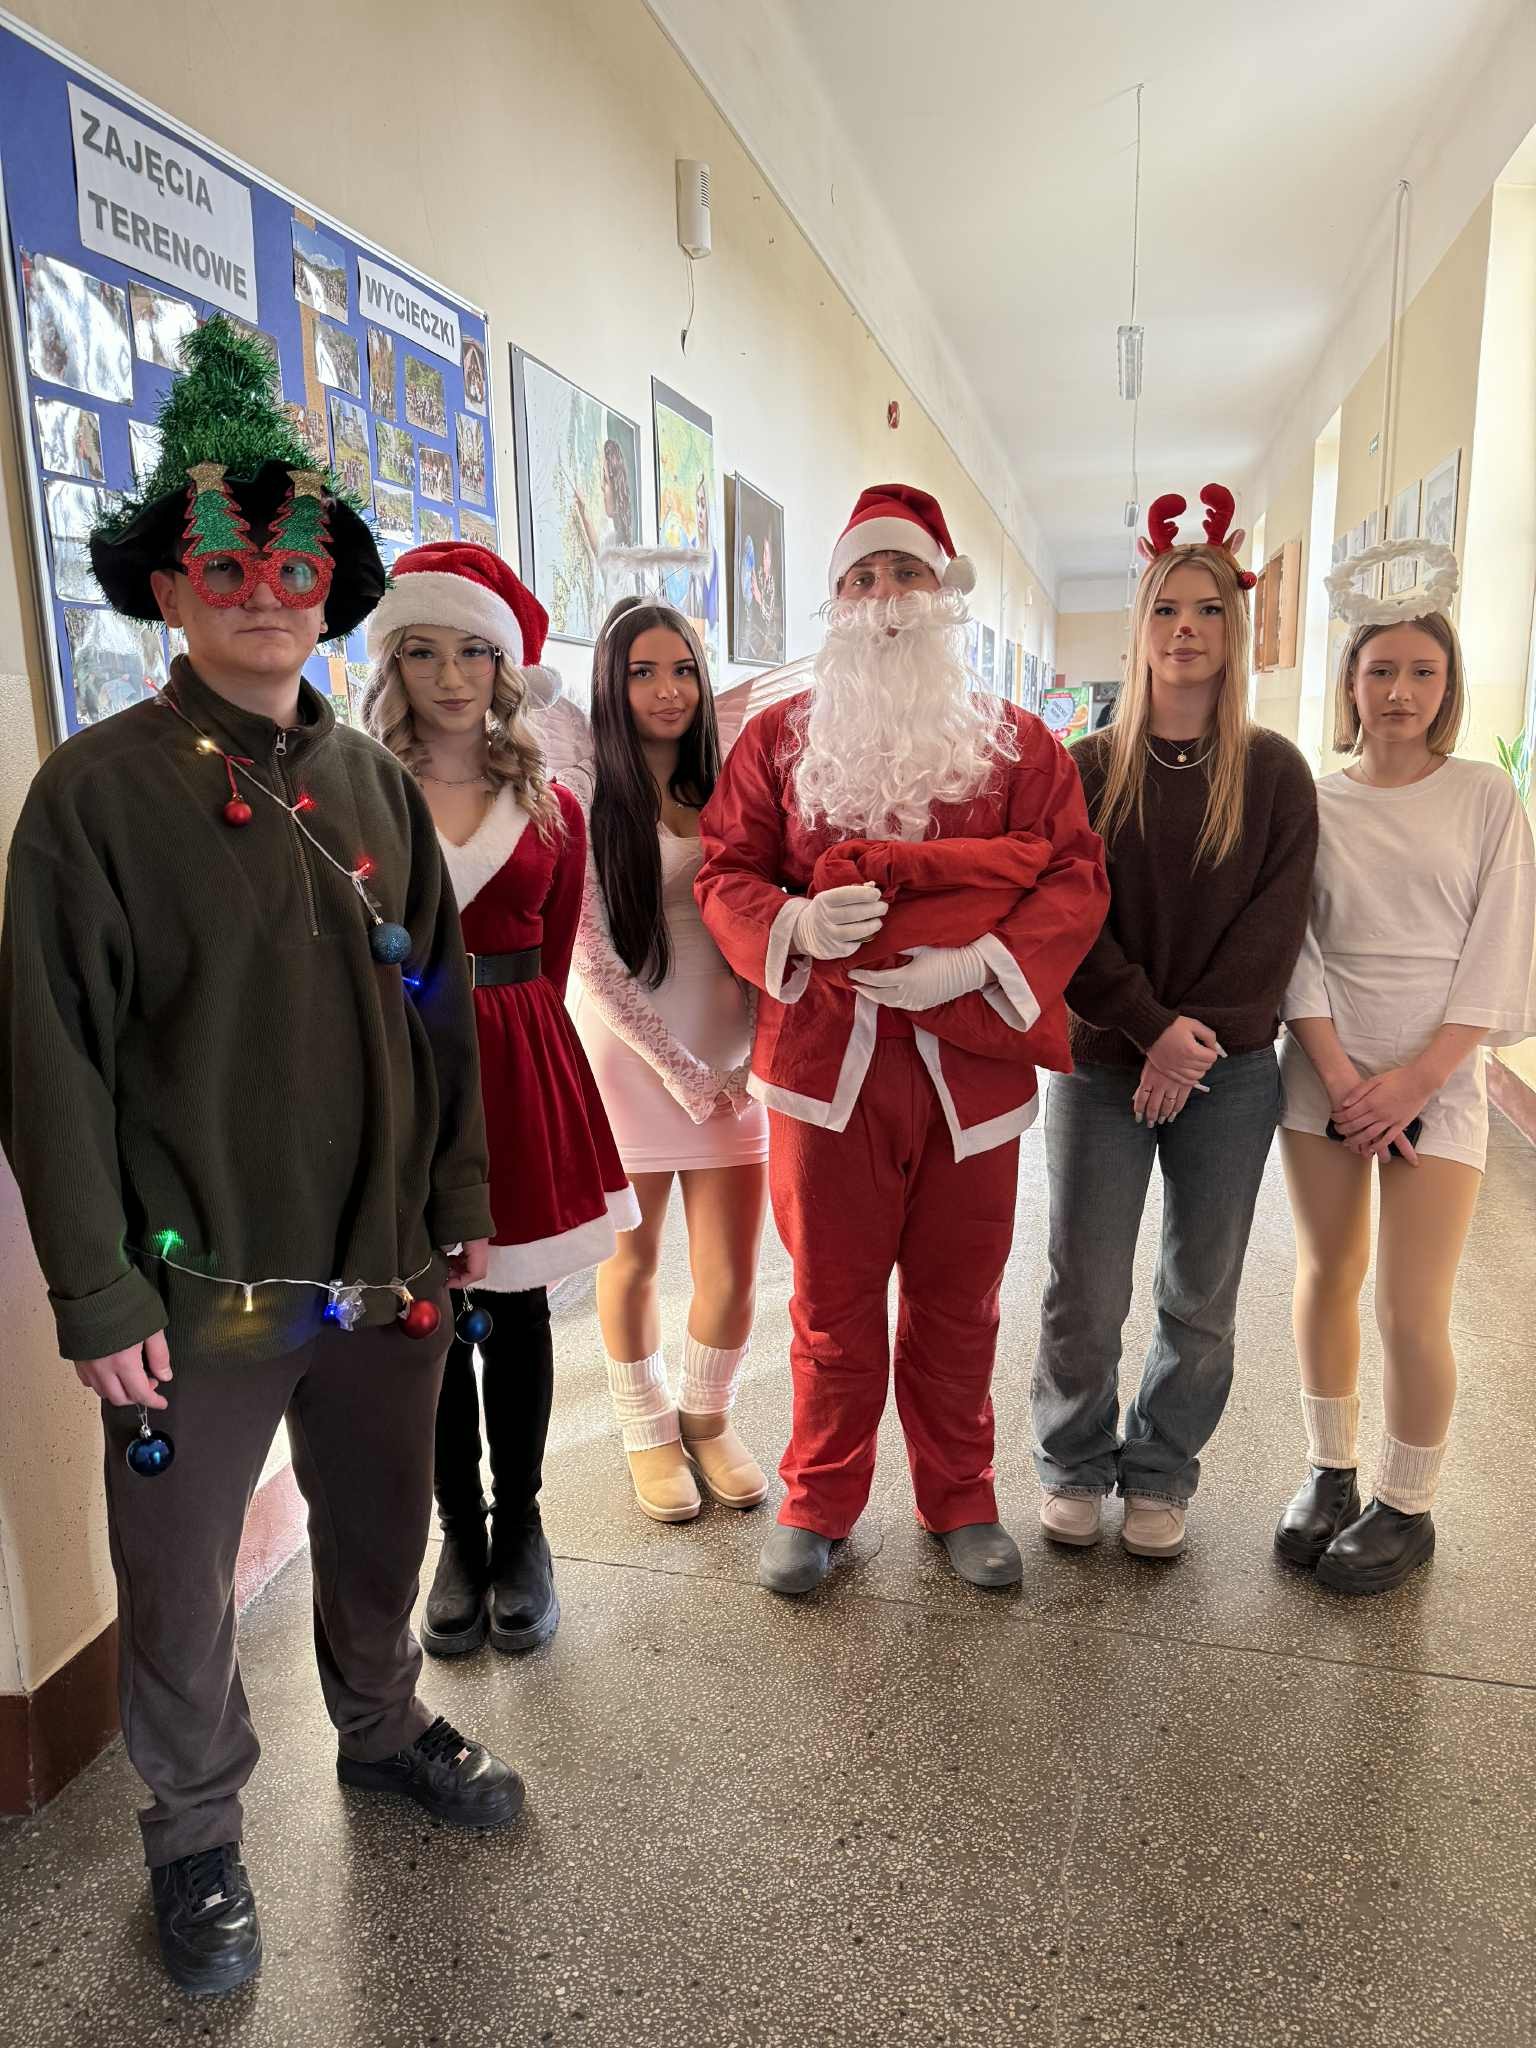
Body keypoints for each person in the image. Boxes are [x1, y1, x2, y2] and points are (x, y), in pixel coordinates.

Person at [0, 321, 523, 1999]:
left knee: (379, 1524)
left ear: (328, 590)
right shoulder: (90, 799)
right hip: (189, 1285)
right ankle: (194, 1830)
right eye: (223, 565)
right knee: (177, 1575)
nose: (262, 592)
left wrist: (456, 1207)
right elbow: (48, 1061)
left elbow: (445, 1017)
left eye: (292, 564)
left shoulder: (375, 785)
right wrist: (96, 1292)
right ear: (169, 585)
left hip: (382, 1266)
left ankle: (380, 1722)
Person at [696, 484, 1108, 1596]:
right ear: (836, 599)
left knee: (959, 1299)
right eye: (862, 578)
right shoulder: (779, 738)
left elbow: (1076, 873)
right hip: (823, 1066)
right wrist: (791, 921)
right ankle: (819, 1498)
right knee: (830, 1303)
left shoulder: (1018, 743)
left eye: (906, 573)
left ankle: (959, 1494)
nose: (884, 598)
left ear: (943, 590)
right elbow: (725, 869)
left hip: (970, 1070)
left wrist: (982, 963)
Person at [361, 542, 638, 1655]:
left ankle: (521, 1526)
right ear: (392, 663)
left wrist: (511, 1036)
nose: (450, 676)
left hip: (517, 1062)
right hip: (404, 1066)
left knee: (516, 1311)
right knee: (427, 1307)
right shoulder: (362, 795)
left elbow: (555, 948)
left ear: (504, 664)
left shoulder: (553, 802)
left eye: (472, 651)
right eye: (421, 651)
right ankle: (458, 1535)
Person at [1031, 487, 1317, 1560]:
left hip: (1229, 1074)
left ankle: (1159, 1470)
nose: (1185, 628)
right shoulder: (1087, 768)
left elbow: (1272, 929)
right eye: (1165, 609)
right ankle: (1073, 1459)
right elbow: (1069, 921)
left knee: (1200, 1293)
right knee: (1085, 1282)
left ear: (1233, 629)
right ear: (1140, 626)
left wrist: (1188, 1042)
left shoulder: (1275, 773)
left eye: (1206, 610)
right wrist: (1148, 1026)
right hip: (1104, 1061)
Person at [1274, 540, 1535, 1593]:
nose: (1400, 691)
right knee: (1328, 1272)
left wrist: (1419, 1080)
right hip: (1324, 1068)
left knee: (1410, 1304)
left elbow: (1499, 943)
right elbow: (1293, 943)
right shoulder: (1314, 801)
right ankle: (1330, 1471)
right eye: (1380, 669)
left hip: (1438, 1080)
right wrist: (1343, 1079)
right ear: (1350, 681)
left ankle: (1407, 1504)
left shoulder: (1483, 796)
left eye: (1423, 671)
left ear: (1447, 683)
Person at [571, 598, 771, 1522]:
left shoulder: (736, 786)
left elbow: (771, 920)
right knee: (633, 1259)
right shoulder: (585, 797)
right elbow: (592, 959)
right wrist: (679, 1070)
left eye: (683, 669)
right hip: (628, 1058)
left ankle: (707, 1416)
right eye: (643, 672)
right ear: (611, 686)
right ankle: (645, 1428)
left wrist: (757, 1051)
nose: (667, 690)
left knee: (733, 1267)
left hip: (734, 1056)